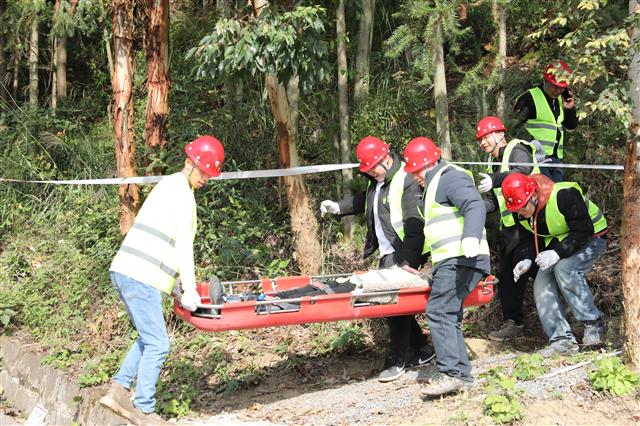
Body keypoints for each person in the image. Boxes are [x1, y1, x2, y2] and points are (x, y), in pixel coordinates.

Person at [99, 136, 225, 425]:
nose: (206, 178)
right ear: (190, 163)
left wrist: (175, 285)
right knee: (159, 344)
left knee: (147, 338)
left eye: (210, 174)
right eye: (204, 172)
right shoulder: (183, 195)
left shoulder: (168, 185)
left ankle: (118, 390)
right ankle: (143, 409)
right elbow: (183, 247)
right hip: (140, 275)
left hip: (126, 270)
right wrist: (190, 289)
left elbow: (163, 241)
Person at [320, 135, 435, 383]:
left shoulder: (406, 179)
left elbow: (415, 225)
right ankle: (423, 349)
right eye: (368, 169)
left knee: (395, 307)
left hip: (404, 252)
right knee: (396, 306)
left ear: (385, 158)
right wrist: (339, 207)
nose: (371, 172)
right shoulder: (378, 182)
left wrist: (407, 262)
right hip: (388, 252)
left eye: (373, 167)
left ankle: (396, 361)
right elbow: (366, 201)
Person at [403, 137, 491, 396]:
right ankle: (460, 374)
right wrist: (433, 266)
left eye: (416, 171)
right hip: (451, 259)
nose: (414, 177)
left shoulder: (449, 177)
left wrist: (471, 237)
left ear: (429, 163)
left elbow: (474, 205)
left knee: (439, 311)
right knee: (448, 313)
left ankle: (452, 373)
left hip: (462, 257)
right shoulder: (434, 185)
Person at [501, 173, 608, 357]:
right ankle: (561, 340)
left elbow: (583, 230)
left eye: (523, 206)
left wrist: (557, 253)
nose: (520, 212)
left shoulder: (564, 195)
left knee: (565, 269)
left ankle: (594, 324)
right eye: (516, 209)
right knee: (541, 284)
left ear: (534, 195)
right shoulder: (520, 211)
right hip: (559, 244)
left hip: (592, 238)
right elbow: (527, 239)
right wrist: (526, 259)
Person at [474, 116, 542, 341]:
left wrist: (495, 179)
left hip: (532, 222)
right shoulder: (491, 163)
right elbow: (493, 202)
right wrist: (474, 209)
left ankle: (520, 321)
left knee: (532, 269)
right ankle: (514, 322)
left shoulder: (517, 149)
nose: (483, 142)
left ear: (500, 134)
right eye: (480, 139)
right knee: (511, 274)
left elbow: (522, 170)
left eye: (486, 137)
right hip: (512, 229)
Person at [513, 60, 578, 182]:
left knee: (556, 191)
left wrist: (569, 109)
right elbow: (514, 127)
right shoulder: (528, 98)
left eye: (562, 88)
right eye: (555, 87)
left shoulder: (561, 100)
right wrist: (528, 148)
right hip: (536, 158)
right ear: (546, 81)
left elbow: (571, 125)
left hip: (556, 159)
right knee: (544, 190)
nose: (558, 91)